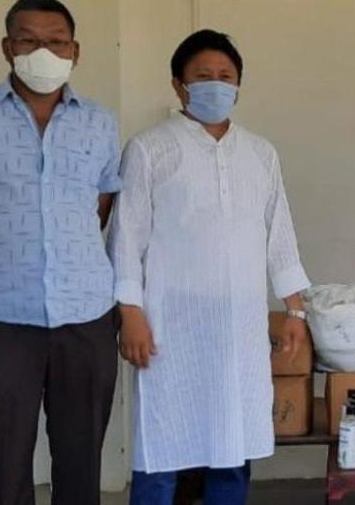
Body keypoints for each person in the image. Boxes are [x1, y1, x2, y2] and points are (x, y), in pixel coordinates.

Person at [108, 29, 311, 505]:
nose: (215, 85)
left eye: (226, 76)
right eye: (203, 76)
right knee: (162, 445)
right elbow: (127, 236)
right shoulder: (150, 148)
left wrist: (295, 310)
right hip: (170, 325)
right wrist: (130, 312)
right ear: (178, 85)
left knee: (232, 445)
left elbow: (279, 233)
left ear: (239, 85)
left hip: (239, 328)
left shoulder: (260, 153)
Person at [0, 0, 122, 505]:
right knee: (2, 465)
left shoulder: (100, 122)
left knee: (81, 462)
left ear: (75, 51)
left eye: (57, 41)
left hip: (86, 317)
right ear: (7, 47)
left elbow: (101, 207)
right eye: (29, 41)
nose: (43, 52)